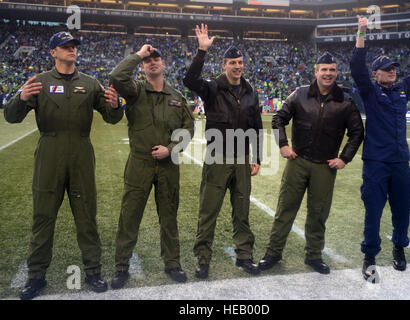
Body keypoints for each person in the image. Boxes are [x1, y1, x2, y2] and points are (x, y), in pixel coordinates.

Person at [3, 31, 123, 300]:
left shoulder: (91, 83)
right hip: (49, 152)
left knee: (86, 216)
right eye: (65, 46)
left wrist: (116, 106)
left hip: (81, 153)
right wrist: (21, 98)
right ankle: (35, 277)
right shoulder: (40, 82)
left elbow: (112, 117)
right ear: (53, 52)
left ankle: (93, 271)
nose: (71, 49)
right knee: (43, 217)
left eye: (73, 46)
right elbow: (11, 117)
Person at [350, 16, 410, 282]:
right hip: (376, 164)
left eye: (394, 68)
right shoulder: (369, 92)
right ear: (376, 74)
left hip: (401, 163)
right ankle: (369, 257)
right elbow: (357, 66)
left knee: (403, 209)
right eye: (387, 68)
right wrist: (361, 31)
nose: (393, 71)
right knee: (373, 212)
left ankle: (399, 249)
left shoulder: (403, 89)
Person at [258, 52, 364, 274]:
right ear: (316, 71)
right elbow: (278, 119)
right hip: (298, 161)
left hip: (325, 166)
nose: (328, 74)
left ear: (337, 72)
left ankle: (314, 256)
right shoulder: (300, 94)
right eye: (323, 69)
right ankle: (273, 253)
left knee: (318, 214)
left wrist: (344, 158)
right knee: (285, 210)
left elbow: (357, 132)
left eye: (332, 70)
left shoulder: (345, 101)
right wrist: (283, 145)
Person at [109, 44, 194, 287]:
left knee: (169, 217)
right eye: (148, 60)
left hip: (169, 165)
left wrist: (172, 148)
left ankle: (173, 263)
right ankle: (121, 267)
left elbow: (188, 129)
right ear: (143, 66)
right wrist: (138, 55)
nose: (152, 62)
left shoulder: (177, 97)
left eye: (156, 58)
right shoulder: (134, 91)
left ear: (163, 64)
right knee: (130, 216)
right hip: (140, 164)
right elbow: (116, 76)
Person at [183, 24, 263, 279]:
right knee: (208, 213)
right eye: (232, 62)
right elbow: (189, 80)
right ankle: (203, 260)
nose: (237, 66)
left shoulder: (250, 92)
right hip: (217, 159)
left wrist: (258, 157)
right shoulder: (212, 88)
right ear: (224, 65)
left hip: (241, 160)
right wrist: (201, 51)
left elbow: (257, 127)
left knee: (242, 213)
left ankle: (244, 256)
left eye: (240, 62)